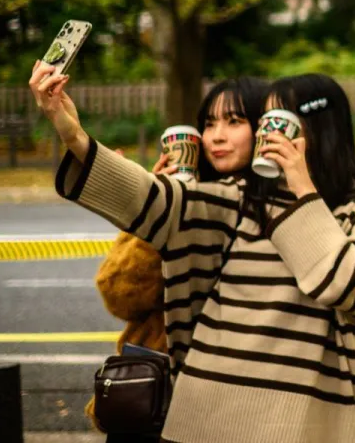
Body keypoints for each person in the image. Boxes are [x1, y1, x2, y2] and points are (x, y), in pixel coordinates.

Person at [30, 66, 355, 443]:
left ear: (318, 128)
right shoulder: (241, 197)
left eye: (277, 121)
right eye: (264, 122)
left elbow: (346, 287)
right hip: (205, 413)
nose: (268, 133)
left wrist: (302, 186)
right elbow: (158, 203)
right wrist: (74, 136)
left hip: (300, 418)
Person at [86, 78, 268, 443]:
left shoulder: (280, 208)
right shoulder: (175, 200)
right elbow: (118, 293)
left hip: (243, 399)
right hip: (161, 396)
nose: (216, 136)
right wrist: (155, 207)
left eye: (234, 122)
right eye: (210, 124)